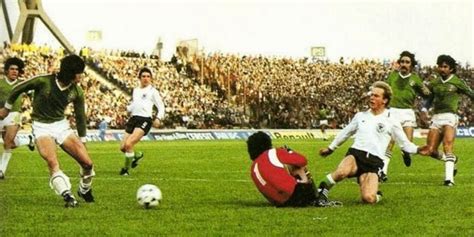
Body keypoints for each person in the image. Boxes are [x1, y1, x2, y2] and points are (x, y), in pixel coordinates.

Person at [0, 54, 95, 207]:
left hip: (62, 126)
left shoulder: (77, 91)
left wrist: (83, 140)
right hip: (41, 127)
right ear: (71, 73)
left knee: (88, 164)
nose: (81, 76)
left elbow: (80, 116)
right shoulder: (43, 81)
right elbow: (18, 88)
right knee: (52, 162)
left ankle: (84, 189)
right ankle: (68, 196)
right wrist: (7, 108)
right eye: (80, 73)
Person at [317, 81, 428, 204]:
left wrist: (418, 149)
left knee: (369, 198)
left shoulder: (392, 121)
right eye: (371, 95)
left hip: (374, 162)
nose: (371, 98)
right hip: (356, 154)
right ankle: (322, 190)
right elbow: (345, 133)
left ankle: (377, 194)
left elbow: (405, 144)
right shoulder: (360, 116)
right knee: (342, 172)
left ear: (384, 100)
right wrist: (331, 148)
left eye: (376, 96)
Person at [247, 131, 341, 207]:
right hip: (298, 195)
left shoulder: (253, 169)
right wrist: (289, 151)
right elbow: (302, 160)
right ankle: (316, 196)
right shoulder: (272, 152)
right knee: (297, 166)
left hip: (280, 203)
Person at [423, 55, 474, 186]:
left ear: (451, 69)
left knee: (447, 146)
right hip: (436, 117)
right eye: (440, 66)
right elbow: (429, 99)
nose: (442, 69)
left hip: (450, 116)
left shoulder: (457, 81)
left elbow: (470, 93)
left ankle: (449, 180)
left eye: (445, 66)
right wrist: (424, 110)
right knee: (430, 150)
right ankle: (452, 160)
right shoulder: (435, 83)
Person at [383, 51, 431, 180]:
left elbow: (426, 94)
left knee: (408, 144)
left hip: (408, 112)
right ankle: (383, 172)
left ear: (411, 65)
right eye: (402, 62)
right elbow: (385, 91)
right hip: (393, 112)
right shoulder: (392, 76)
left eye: (407, 62)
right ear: (399, 63)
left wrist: (425, 92)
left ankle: (406, 153)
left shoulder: (415, 79)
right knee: (390, 143)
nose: (404, 64)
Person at [119, 67, 165, 176]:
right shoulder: (136, 90)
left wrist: (158, 118)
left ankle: (125, 170)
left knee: (129, 144)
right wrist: (127, 109)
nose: (146, 78)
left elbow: (161, 106)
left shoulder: (153, 91)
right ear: (139, 78)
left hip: (145, 119)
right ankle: (137, 155)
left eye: (148, 76)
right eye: (143, 76)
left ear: (151, 79)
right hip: (133, 118)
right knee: (123, 147)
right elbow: (135, 104)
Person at [0, 57, 35, 179]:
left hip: (14, 114)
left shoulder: (23, 84)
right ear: (6, 71)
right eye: (12, 69)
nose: (15, 71)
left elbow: (34, 92)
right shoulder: (1, 83)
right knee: (11, 143)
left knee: (8, 143)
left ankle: (1, 170)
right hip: (1, 114)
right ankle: (27, 141)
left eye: (17, 69)